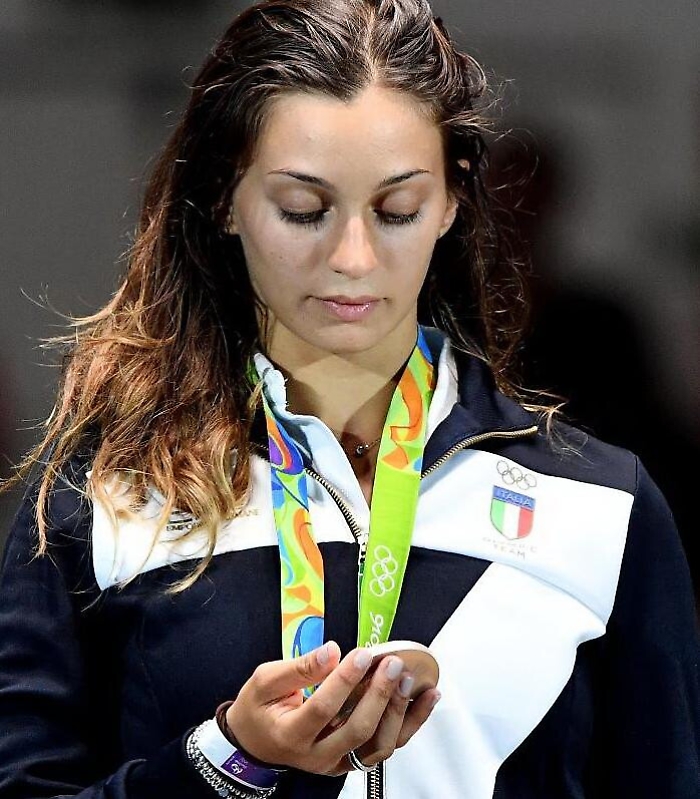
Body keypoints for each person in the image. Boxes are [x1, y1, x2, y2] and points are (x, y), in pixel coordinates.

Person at [0, 1, 698, 798]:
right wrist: (228, 757)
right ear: (225, 196)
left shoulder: (599, 508)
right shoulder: (107, 496)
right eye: (304, 210)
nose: (353, 257)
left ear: (451, 201)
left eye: (397, 210)